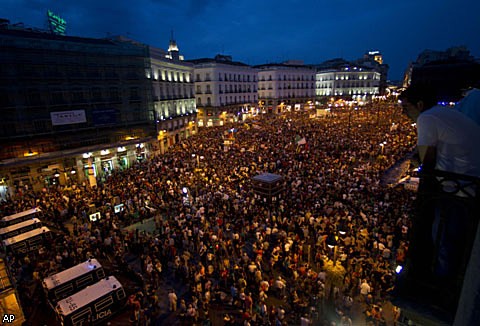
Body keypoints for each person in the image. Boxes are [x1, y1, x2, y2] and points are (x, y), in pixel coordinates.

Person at [400, 84, 480, 278]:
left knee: (445, 236)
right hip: (467, 183)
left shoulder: (427, 118)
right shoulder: (444, 114)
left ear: (419, 104)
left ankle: (442, 281)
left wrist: (415, 160)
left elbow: (427, 160)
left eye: (406, 107)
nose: (404, 113)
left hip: (461, 188)